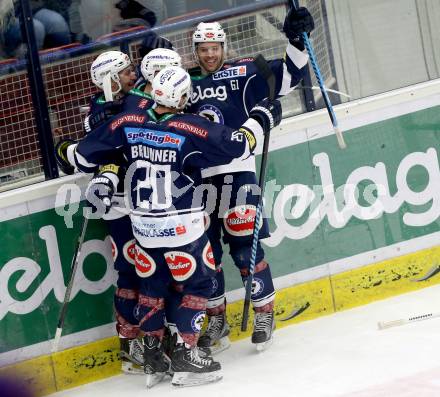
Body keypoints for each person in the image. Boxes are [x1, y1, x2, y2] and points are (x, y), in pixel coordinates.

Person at [72, 66, 282, 387]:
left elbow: (83, 156)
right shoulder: (190, 128)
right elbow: (239, 145)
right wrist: (260, 118)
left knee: (152, 289)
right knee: (199, 285)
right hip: (181, 226)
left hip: (142, 227)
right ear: (183, 96)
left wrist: (99, 169)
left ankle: (154, 358)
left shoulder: (127, 121)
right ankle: (186, 353)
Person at [185, 7, 315, 352]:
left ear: (223, 47)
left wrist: (297, 41)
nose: (210, 54)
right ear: (194, 51)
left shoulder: (242, 75)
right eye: (203, 49)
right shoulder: (182, 85)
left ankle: (264, 313)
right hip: (197, 183)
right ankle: (216, 320)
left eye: (215, 47)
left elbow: (289, 76)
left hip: (237, 176)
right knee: (205, 255)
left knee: (246, 251)